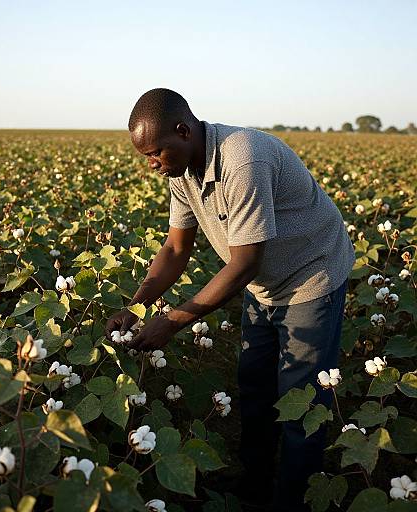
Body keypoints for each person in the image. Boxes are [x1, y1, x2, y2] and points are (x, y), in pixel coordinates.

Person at [105, 88, 355, 512]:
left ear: (183, 131)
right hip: (264, 285)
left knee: (301, 403)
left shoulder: (243, 159)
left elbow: (244, 264)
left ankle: (294, 498)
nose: (151, 164)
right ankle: (255, 484)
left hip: (311, 275)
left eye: (156, 153)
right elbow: (174, 250)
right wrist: (137, 306)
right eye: (146, 156)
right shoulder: (180, 167)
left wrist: (171, 322)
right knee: (255, 388)